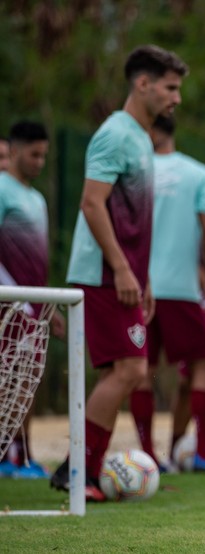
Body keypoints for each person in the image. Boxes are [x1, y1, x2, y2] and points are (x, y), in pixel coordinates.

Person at [50, 45, 187, 501]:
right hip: (102, 275)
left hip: (122, 274)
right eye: (170, 88)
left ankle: (78, 469)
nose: (177, 99)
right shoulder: (114, 135)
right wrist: (123, 269)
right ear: (142, 84)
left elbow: (130, 218)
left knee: (125, 371)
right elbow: (92, 203)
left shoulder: (141, 139)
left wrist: (141, 277)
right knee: (130, 371)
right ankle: (79, 471)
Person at [127, 114, 205, 473]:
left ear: (148, 132)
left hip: (139, 286)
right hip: (182, 290)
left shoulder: (132, 171)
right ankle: (204, 451)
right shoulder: (197, 173)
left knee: (142, 367)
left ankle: (148, 456)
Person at [0, 121, 65, 479]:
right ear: (15, 150)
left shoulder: (37, 198)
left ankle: (22, 454)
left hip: (33, 306)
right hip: (8, 304)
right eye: (33, 154)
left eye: (44, 155)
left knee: (27, 380)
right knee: (5, 377)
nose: (40, 162)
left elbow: (36, 256)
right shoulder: (2, 189)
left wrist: (46, 304)